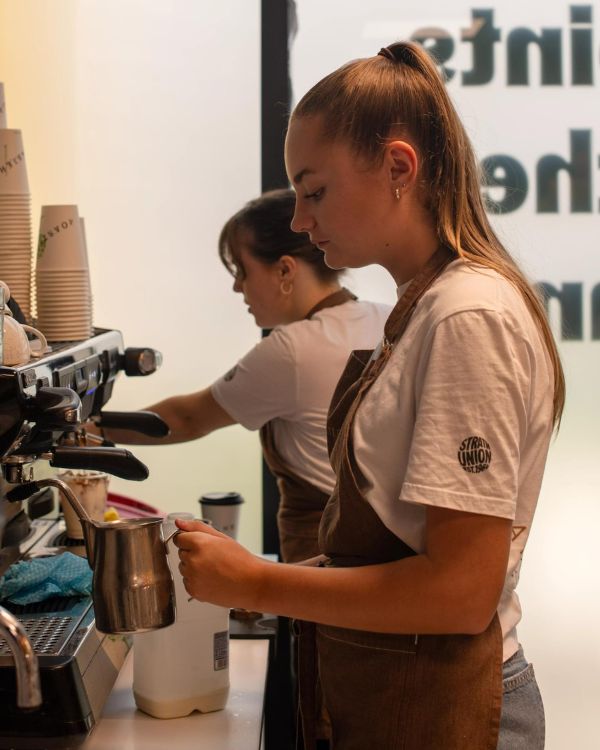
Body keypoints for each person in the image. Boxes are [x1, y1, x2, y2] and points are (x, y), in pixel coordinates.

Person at [173, 41, 564, 750]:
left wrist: (257, 589)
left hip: (458, 708)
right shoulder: (419, 310)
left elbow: (459, 592)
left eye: (314, 190)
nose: (298, 219)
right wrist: (256, 570)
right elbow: (387, 551)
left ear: (398, 168)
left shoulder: (467, 315)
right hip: (404, 698)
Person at [97, 188, 390, 563]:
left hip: (328, 564)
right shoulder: (384, 316)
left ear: (285, 269)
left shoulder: (293, 350)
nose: (238, 287)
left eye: (242, 270)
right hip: (386, 558)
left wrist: (88, 432)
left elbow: (187, 418)